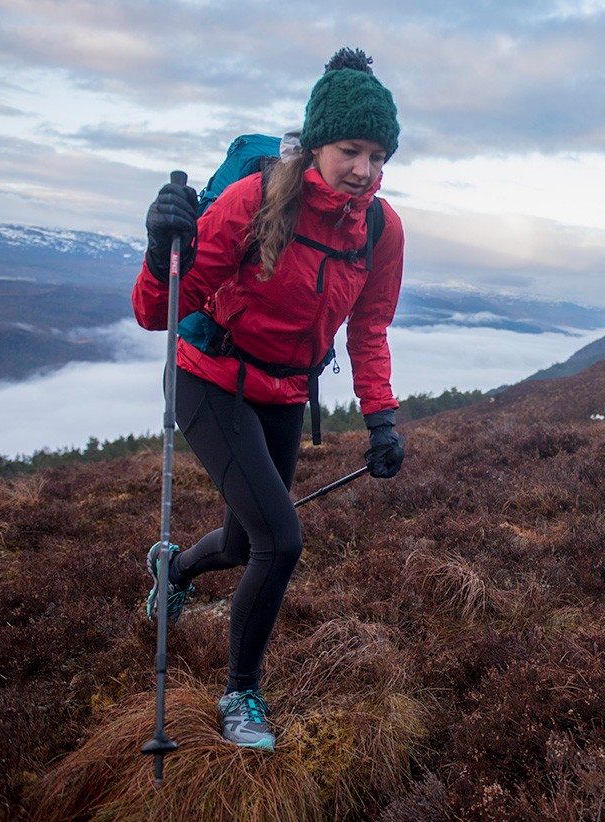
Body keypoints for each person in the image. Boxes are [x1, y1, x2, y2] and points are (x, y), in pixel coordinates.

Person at [131, 48, 406, 751]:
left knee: (241, 540)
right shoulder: (252, 203)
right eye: (352, 150)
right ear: (317, 143)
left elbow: (369, 328)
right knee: (281, 541)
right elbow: (157, 312)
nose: (365, 170)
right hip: (209, 378)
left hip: (286, 390)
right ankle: (240, 694)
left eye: (379, 155)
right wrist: (163, 246)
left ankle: (175, 566)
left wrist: (381, 417)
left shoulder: (379, 228)